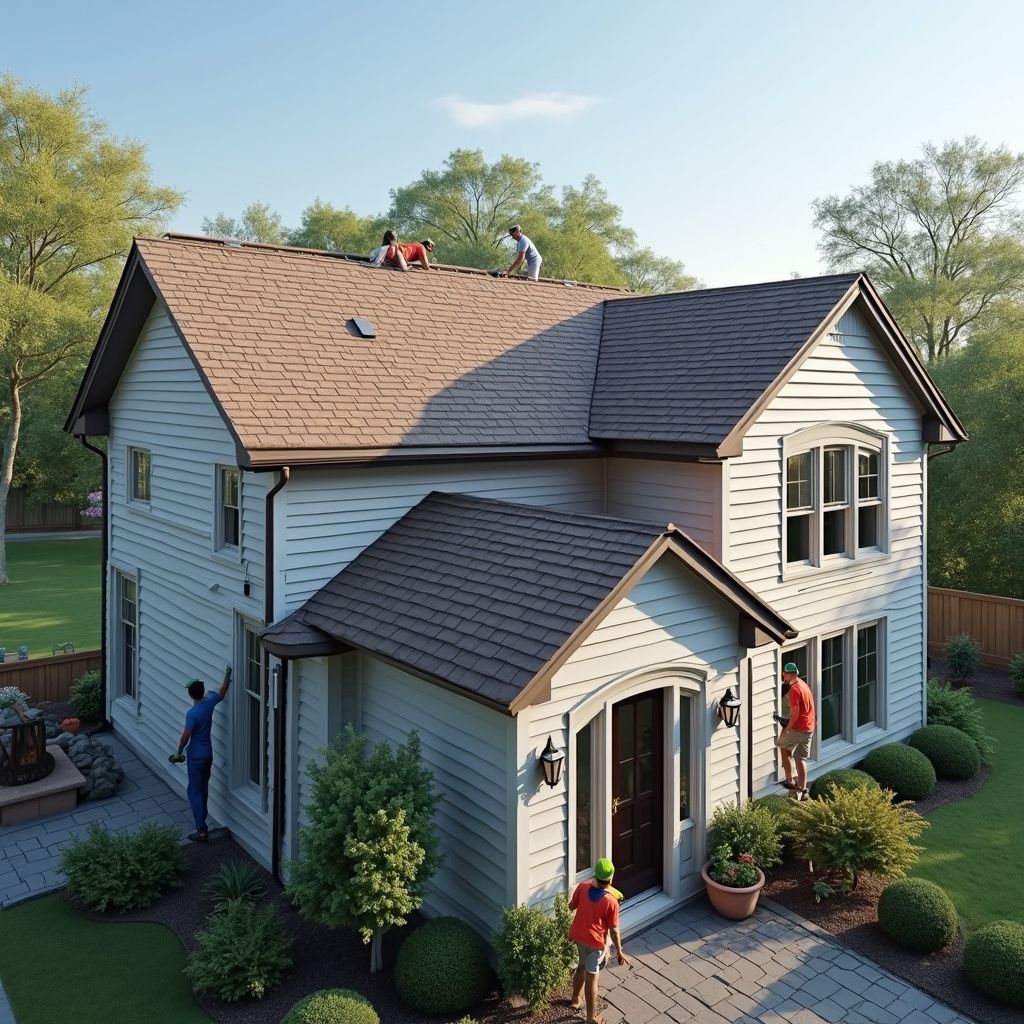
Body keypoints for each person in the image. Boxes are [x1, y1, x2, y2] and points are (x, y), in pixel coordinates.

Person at [169, 664, 232, 841]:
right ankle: (203, 819)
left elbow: (185, 737)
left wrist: (178, 753)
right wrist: (227, 673)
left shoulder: (193, 713)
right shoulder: (210, 702)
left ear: (190, 694)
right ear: (203, 691)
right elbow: (224, 688)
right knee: (203, 788)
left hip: (196, 756)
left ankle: (201, 829)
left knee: (194, 791)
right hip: (208, 753)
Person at [568, 857, 629, 1024]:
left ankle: (575, 1000)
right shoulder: (611, 901)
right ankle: (590, 1019)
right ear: (610, 879)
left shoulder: (583, 887)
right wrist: (619, 951)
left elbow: (571, 907)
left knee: (580, 967)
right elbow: (614, 931)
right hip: (595, 944)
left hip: (579, 937)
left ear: (595, 874)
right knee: (592, 978)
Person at [777, 662, 815, 801]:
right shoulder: (803, 684)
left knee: (783, 746)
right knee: (801, 758)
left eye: (785, 673)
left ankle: (790, 781)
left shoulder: (794, 690)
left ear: (790, 674)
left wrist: (787, 729)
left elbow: (795, 713)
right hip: (809, 727)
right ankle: (803, 790)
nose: (783, 675)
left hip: (799, 727)